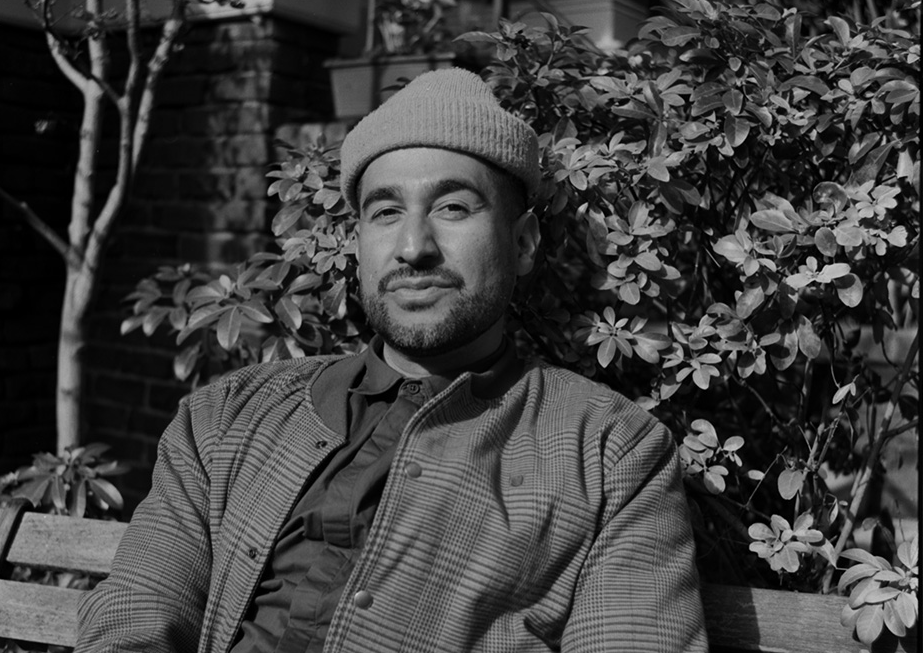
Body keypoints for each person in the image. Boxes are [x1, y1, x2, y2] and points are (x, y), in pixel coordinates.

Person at [76, 68, 708, 652]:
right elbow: (134, 615)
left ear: (521, 244)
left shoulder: (610, 453)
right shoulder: (226, 416)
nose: (413, 247)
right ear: (359, 244)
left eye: (453, 207)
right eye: (385, 213)